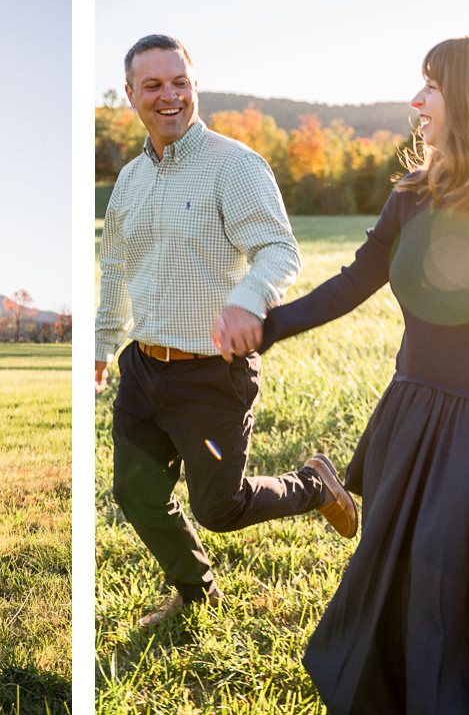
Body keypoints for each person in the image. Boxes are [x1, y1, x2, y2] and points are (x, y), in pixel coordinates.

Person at [256, 35, 469, 713]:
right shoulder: (412, 194)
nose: (416, 102)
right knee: (410, 582)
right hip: (414, 421)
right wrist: (265, 329)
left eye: (430, 87)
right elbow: (354, 282)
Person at [95, 34, 357, 627]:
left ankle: (313, 485)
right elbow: (114, 269)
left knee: (220, 507)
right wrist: (102, 346)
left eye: (180, 82)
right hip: (143, 367)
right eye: (154, 86)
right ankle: (198, 593)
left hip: (212, 373)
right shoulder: (129, 182)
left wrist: (247, 301)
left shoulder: (233, 165)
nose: (170, 96)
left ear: (195, 86)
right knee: (136, 495)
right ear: (131, 94)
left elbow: (278, 249)